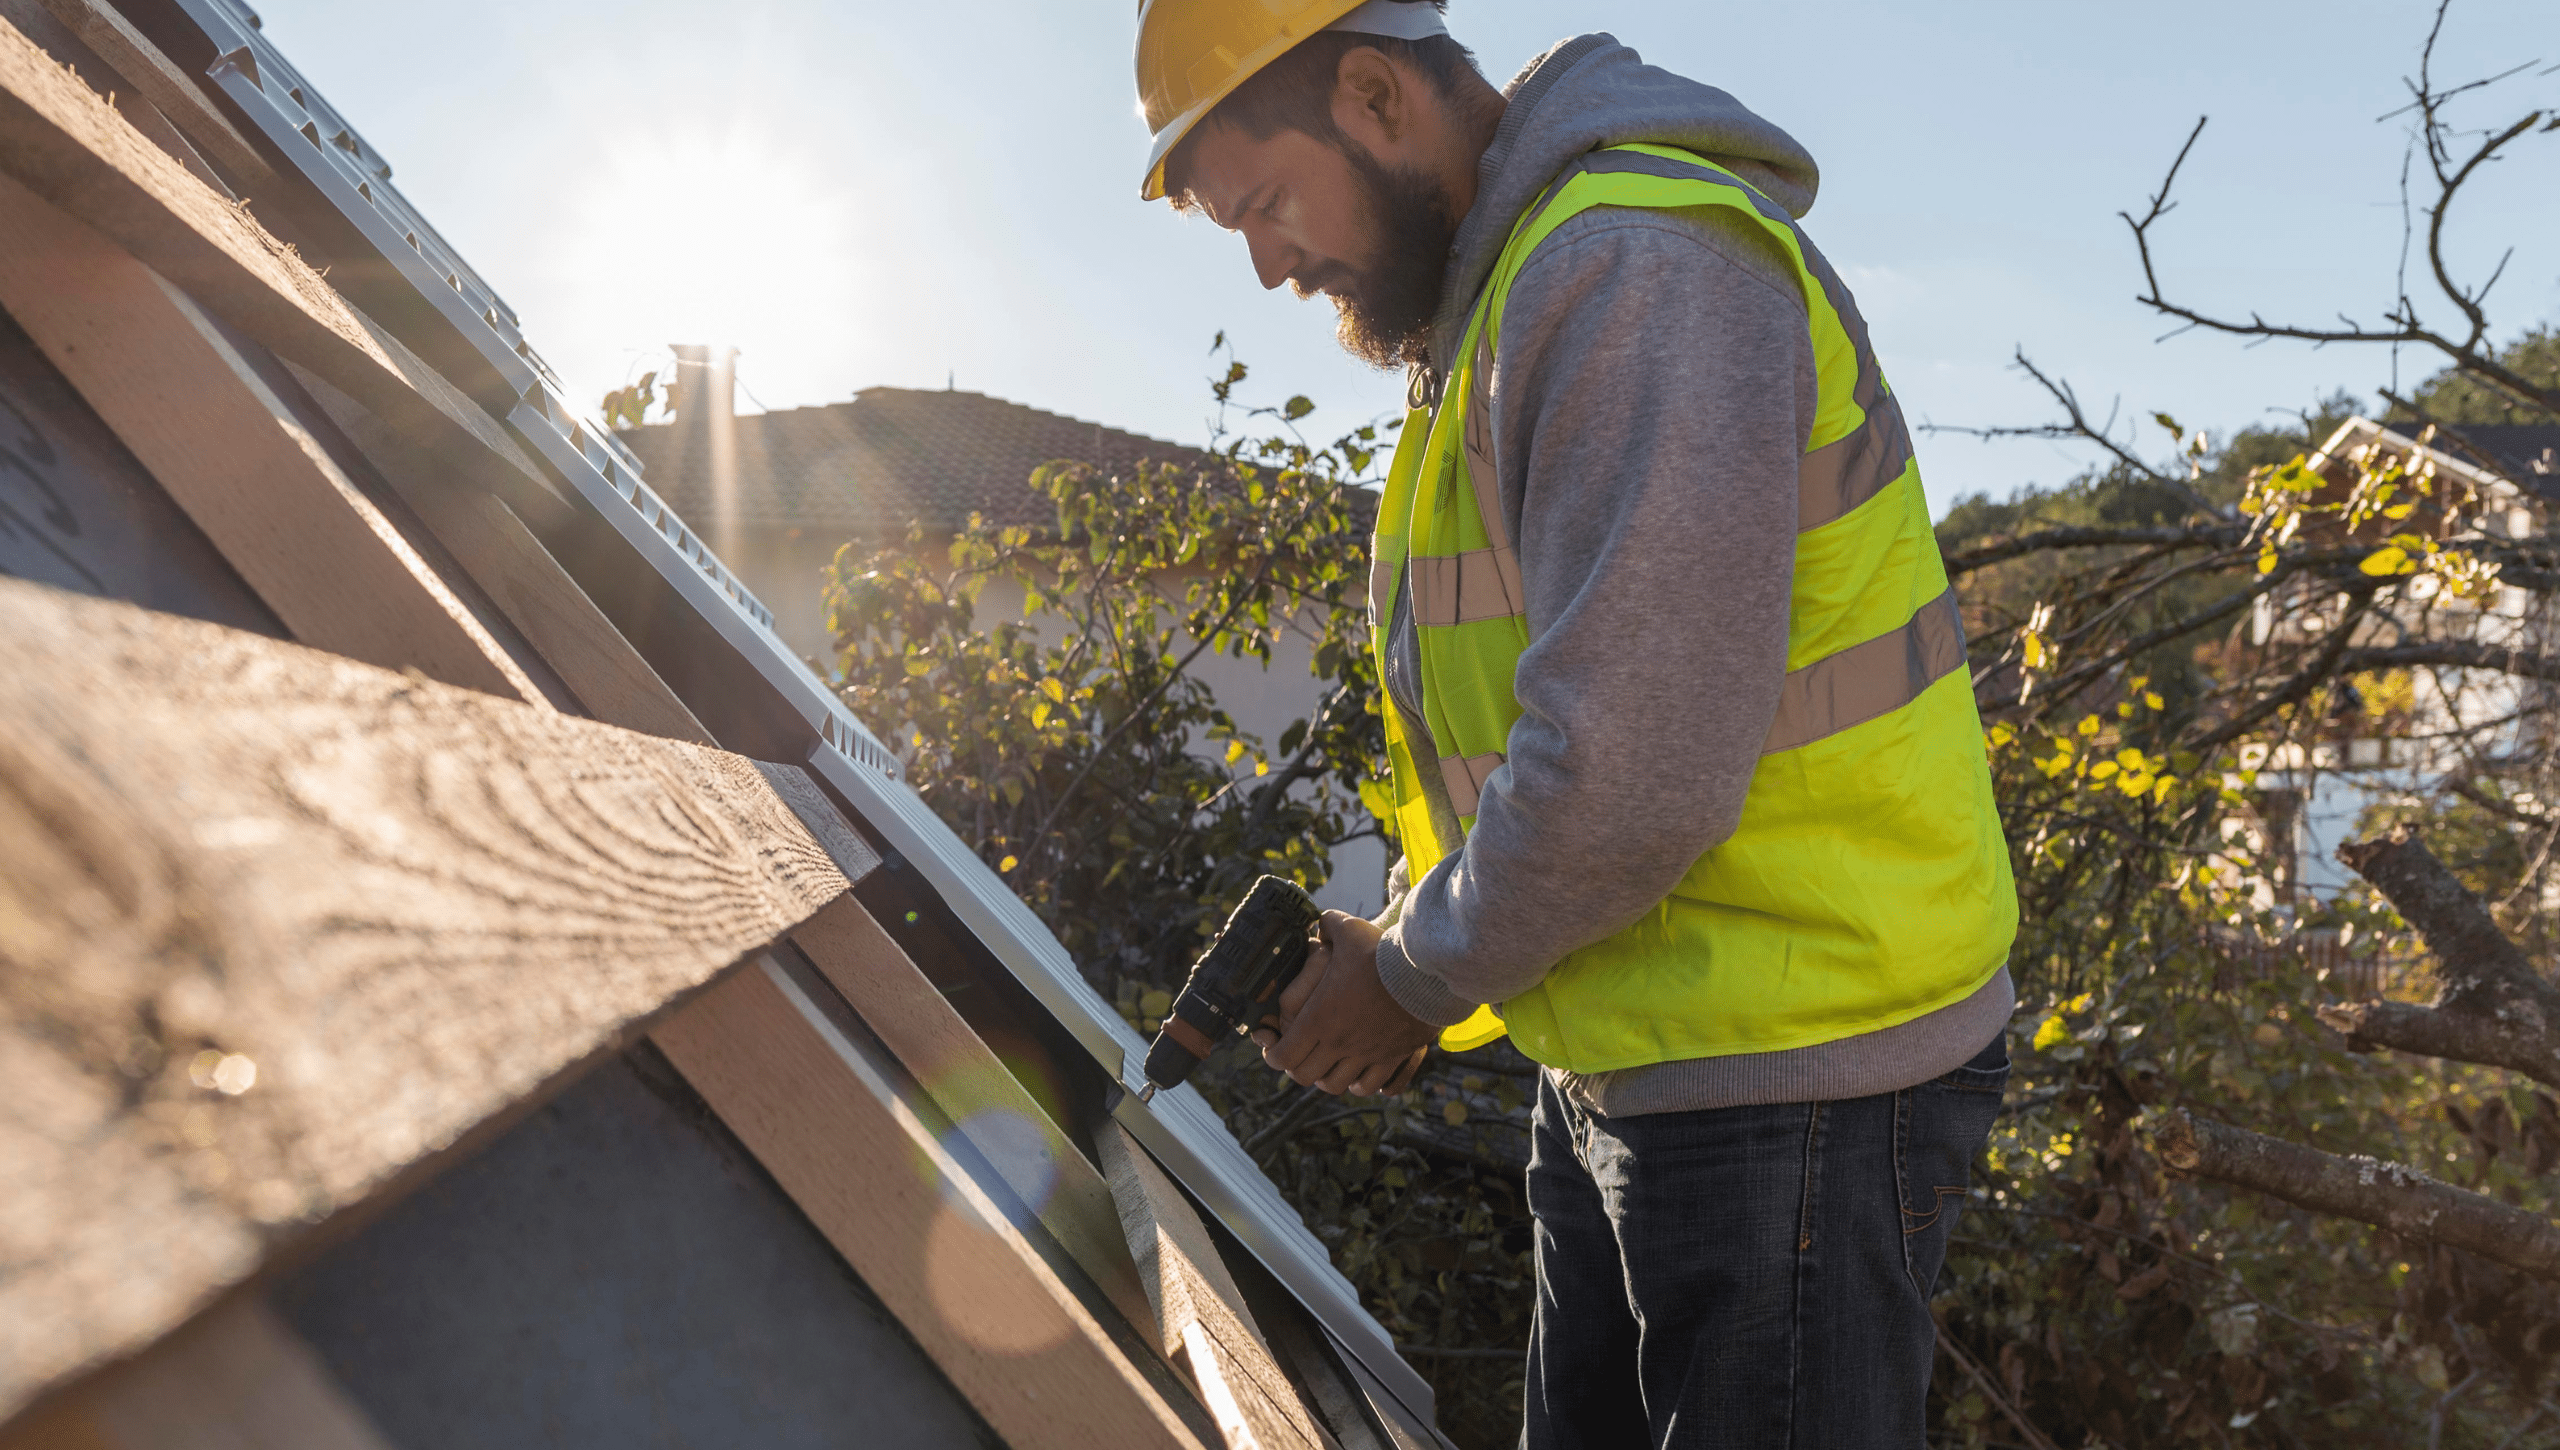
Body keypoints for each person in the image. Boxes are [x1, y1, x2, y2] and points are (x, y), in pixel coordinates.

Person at [1134, 2, 2019, 1444]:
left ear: (1372, 95)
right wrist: (1415, 939)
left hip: (1799, 1068)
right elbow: (1557, 734)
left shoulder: (1630, 273)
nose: (1270, 261)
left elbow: (1627, 772)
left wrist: (1412, 978)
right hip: (1638, 1041)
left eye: (1270, 202)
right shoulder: (1501, 304)